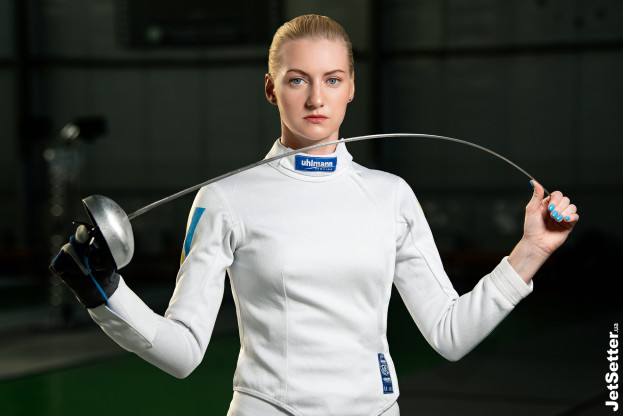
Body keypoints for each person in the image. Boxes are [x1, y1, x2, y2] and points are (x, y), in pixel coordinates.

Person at [50, 14, 579, 416]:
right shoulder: (225, 198)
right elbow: (184, 351)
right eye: (297, 80)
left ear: (352, 87)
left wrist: (531, 250)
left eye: (332, 79)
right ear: (271, 87)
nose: (316, 99)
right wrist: (105, 293)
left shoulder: (390, 195)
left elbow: (449, 333)